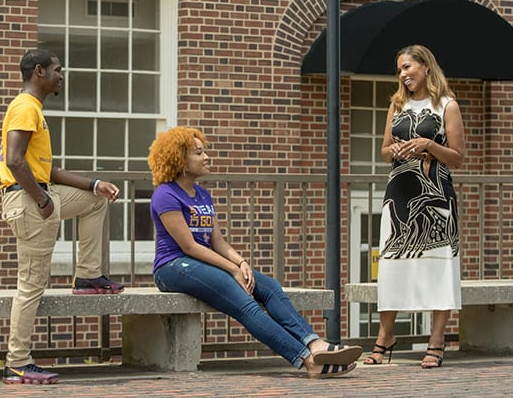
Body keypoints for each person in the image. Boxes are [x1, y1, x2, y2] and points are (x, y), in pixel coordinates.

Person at [147, 126, 362, 379]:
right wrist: (232, 270)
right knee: (244, 302)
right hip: (173, 267)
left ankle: (315, 343)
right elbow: (189, 246)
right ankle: (308, 360)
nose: (207, 157)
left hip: (202, 263)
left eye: (204, 151)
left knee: (269, 286)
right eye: (199, 153)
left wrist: (242, 263)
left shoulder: (202, 195)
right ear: (180, 160)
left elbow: (218, 241)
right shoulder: (165, 195)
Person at [0, 49, 125, 384]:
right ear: (39, 71)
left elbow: (46, 169)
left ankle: (87, 276)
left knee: (94, 201)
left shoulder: (33, 110)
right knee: (31, 286)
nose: (62, 76)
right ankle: (17, 363)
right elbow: (14, 161)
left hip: (41, 194)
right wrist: (41, 200)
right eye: (57, 70)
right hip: (30, 200)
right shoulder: (25, 107)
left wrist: (94, 184)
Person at [364, 45, 465, 369]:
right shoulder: (397, 104)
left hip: (436, 196)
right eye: (399, 70)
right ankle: (385, 337)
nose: (403, 74)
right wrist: (395, 150)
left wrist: (429, 145)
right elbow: (384, 150)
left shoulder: (447, 105)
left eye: (407, 67)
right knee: (392, 267)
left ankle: (437, 341)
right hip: (399, 193)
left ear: (425, 67)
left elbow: (458, 157)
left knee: (438, 269)